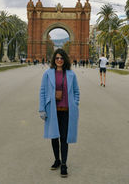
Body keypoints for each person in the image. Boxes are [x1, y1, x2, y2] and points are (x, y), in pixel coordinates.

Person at [39, 48, 80, 178]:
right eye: (57, 58)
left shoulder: (71, 74)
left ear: (65, 59)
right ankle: (57, 159)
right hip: (52, 110)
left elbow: (76, 91)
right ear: (54, 60)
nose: (59, 60)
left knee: (64, 138)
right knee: (54, 136)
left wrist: (75, 102)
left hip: (67, 110)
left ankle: (64, 164)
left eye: (61, 58)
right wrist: (42, 108)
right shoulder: (47, 74)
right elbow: (42, 91)